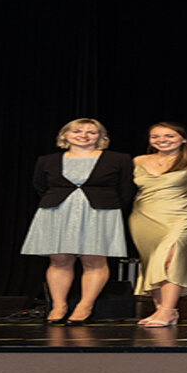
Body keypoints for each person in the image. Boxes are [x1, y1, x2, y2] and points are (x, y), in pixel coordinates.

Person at [22, 118, 136, 325]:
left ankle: (85, 305)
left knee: (94, 261)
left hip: (100, 213)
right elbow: (40, 186)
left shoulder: (118, 159)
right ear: (65, 135)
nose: (84, 135)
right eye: (77, 131)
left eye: (91, 132)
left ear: (101, 137)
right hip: (57, 211)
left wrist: (108, 208)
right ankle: (59, 305)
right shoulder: (47, 160)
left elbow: (126, 189)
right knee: (59, 260)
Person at [130, 122, 187, 328]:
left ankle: (167, 310)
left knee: (171, 258)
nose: (162, 140)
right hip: (143, 219)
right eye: (155, 136)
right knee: (153, 262)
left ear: (184, 139)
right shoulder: (138, 161)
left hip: (181, 217)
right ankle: (161, 310)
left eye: (169, 136)